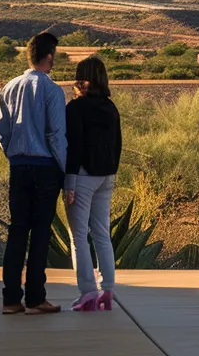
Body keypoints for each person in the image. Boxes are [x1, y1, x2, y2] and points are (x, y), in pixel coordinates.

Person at [0, 32, 68, 315]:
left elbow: (1, 129)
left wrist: (12, 153)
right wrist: (63, 168)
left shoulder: (9, 88)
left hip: (19, 167)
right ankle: (36, 297)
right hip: (46, 169)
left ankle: (11, 299)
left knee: (17, 231)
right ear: (50, 56)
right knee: (40, 234)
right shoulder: (52, 91)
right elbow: (56, 135)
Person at [63, 55, 121, 312]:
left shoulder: (76, 108)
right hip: (106, 176)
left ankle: (87, 291)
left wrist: (70, 179)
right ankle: (107, 289)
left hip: (83, 176)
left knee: (78, 237)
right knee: (101, 234)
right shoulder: (110, 107)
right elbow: (118, 144)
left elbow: (73, 146)